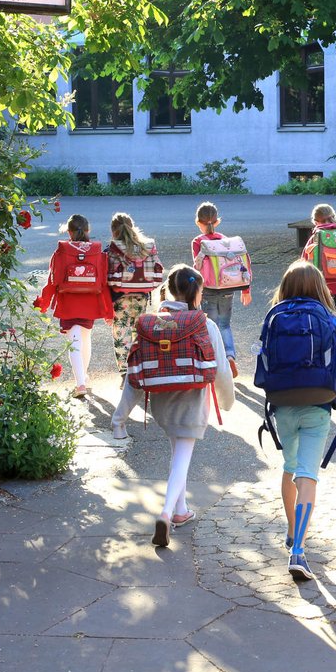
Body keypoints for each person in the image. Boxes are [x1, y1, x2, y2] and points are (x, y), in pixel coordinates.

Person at [110, 264, 236, 546]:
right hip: (192, 402)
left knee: (177, 453)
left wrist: (120, 418)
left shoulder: (150, 325)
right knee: (182, 456)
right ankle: (166, 514)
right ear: (198, 293)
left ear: (167, 290)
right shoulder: (204, 324)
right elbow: (221, 369)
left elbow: (134, 373)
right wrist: (227, 401)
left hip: (161, 403)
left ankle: (180, 510)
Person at [256, 260, 336, 581]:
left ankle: (290, 530)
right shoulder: (332, 320)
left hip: (282, 402)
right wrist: (333, 389)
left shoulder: (275, 317)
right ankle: (298, 549)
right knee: (308, 475)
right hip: (318, 403)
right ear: (321, 287)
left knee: (290, 465)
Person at [34, 214, 114, 398]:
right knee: (85, 339)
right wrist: (108, 311)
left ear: (68, 232)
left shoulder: (61, 252)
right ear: (88, 230)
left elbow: (52, 281)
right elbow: (103, 284)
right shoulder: (97, 252)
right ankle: (82, 378)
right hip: (90, 302)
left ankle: (80, 384)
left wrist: (43, 303)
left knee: (74, 343)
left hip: (68, 302)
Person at [191, 202, 251, 378]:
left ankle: (216, 362)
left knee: (212, 326)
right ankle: (230, 356)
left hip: (208, 289)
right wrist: (246, 290)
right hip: (228, 287)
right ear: (217, 222)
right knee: (225, 325)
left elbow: (197, 268)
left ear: (198, 222)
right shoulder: (226, 241)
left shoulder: (198, 241)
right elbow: (241, 263)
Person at [106, 212, 162, 385]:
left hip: (119, 298)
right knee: (138, 332)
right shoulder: (146, 247)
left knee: (121, 334)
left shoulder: (113, 248)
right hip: (141, 295)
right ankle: (139, 368)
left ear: (113, 230)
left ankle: (125, 373)